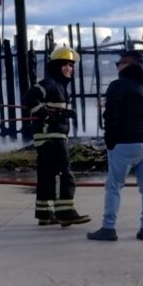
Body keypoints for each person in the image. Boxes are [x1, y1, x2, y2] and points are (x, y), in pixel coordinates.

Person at [23, 46, 91, 227]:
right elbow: (29, 99)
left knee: (47, 174)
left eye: (71, 65)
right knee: (63, 171)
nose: (69, 68)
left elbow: (51, 108)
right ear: (55, 66)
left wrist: (63, 113)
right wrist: (46, 114)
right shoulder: (50, 84)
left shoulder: (59, 86)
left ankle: (45, 213)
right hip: (51, 136)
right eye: (65, 65)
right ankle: (66, 211)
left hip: (48, 136)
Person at [87, 50, 143, 241]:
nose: (117, 67)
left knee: (113, 186)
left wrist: (109, 141)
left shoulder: (118, 85)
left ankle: (109, 228)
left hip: (123, 142)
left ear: (128, 64)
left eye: (118, 63)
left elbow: (111, 116)